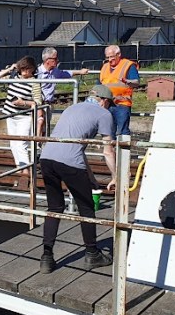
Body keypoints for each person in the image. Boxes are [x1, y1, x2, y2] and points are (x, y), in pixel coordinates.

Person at [39, 84, 118, 274]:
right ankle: (92, 254)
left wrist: (90, 177)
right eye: (109, 104)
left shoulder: (71, 108)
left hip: (47, 158)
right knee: (86, 208)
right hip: (69, 163)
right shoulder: (104, 114)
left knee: (54, 208)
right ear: (104, 101)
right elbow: (108, 151)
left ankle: (46, 258)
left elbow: (75, 146)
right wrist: (116, 176)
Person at [0, 56, 43, 167]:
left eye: (28, 69)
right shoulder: (14, 76)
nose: (25, 72)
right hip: (10, 114)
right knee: (13, 143)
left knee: (21, 143)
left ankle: (26, 169)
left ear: (33, 69)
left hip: (24, 116)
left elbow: (38, 102)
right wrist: (10, 69)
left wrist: (24, 103)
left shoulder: (34, 82)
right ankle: (19, 166)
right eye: (23, 68)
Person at [36, 47, 90, 135]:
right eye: (55, 58)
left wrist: (80, 72)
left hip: (49, 104)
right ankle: (35, 145)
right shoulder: (38, 72)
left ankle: (43, 145)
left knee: (45, 128)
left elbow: (65, 73)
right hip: (39, 104)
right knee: (38, 125)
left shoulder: (55, 71)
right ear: (47, 60)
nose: (58, 60)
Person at [99, 45, 140, 137]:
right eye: (108, 57)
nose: (109, 60)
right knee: (108, 131)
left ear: (119, 54)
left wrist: (127, 81)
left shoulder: (128, 65)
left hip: (122, 104)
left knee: (122, 132)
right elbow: (101, 84)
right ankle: (110, 151)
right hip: (107, 104)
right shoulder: (105, 67)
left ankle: (123, 151)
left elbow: (136, 82)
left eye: (112, 57)